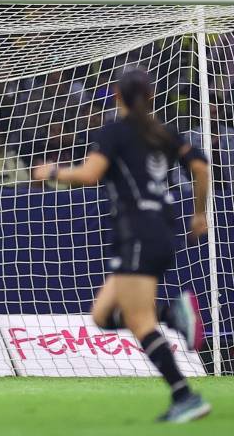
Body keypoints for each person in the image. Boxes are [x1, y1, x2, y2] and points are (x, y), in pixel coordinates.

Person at [32, 68, 211, 423]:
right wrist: (200, 213)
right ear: (151, 97)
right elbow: (202, 167)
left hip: (137, 232)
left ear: (116, 96)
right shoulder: (164, 133)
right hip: (161, 228)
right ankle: (171, 314)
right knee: (102, 315)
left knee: (138, 320)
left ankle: (185, 395)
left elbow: (90, 175)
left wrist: (51, 172)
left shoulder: (115, 132)